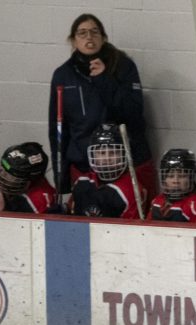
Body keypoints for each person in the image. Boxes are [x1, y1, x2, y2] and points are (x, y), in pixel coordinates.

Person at [48, 13, 154, 204]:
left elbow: (133, 114)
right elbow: (57, 129)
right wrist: (61, 178)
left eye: (94, 32)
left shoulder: (124, 67)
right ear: (73, 40)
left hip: (127, 164)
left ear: (104, 38)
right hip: (84, 165)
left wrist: (104, 79)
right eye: (82, 33)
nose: (89, 37)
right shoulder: (62, 75)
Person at [68, 123, 141, 219]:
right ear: (93, 154)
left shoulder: (130, 190)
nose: (107, 158)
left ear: (124, 154)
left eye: (112, 152)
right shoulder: (82, 183)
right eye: (102, 153)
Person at [0, 142, 57, 214]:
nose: (0, 174)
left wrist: (0, 212)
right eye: (2, 167)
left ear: (27, 181)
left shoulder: (39, 202)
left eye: (8, 173)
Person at [148, 148, 196, 223]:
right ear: (164, 179)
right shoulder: (157, 201)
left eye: (181, 176)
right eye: (170, 176)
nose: (176, 181)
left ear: (191, 178)